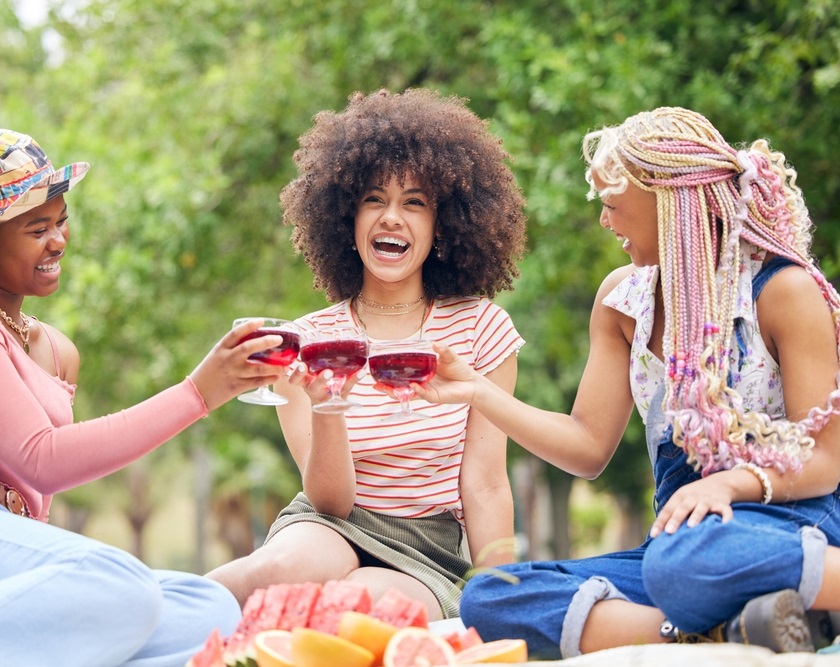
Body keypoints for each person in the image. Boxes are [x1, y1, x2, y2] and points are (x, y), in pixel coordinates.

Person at [0, 128, 291, 667]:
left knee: (209, 608)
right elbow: (44, 460)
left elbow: (37, 497)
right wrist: (199, 392)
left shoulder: (57, 350)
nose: (58, 241)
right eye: (37, 228)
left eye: (61, 221)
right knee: (117, 578)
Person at [408, 107, 840, 657]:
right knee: (491, 596)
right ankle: (722, 627)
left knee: (690, 555)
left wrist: (728, 485)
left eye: (612, 206)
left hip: (787, 518)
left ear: (669, 203)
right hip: (682, 542)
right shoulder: (623, 302)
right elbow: (587, 448)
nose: (605, 223)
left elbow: (826, 462)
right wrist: (476, 389)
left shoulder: (781, 291)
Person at [206, 88, 528, 621]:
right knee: (269, 576)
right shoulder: (307, 339)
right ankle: (146, 624)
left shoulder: (481, 327)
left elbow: (487, 482)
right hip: (327, 523)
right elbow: (331, 501)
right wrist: (329, 402)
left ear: (442, 225)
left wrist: (504, 600)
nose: (392, 218)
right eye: (374, 199)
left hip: (427, 548)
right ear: (345, 219)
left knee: (364, 609)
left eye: (415, 202)